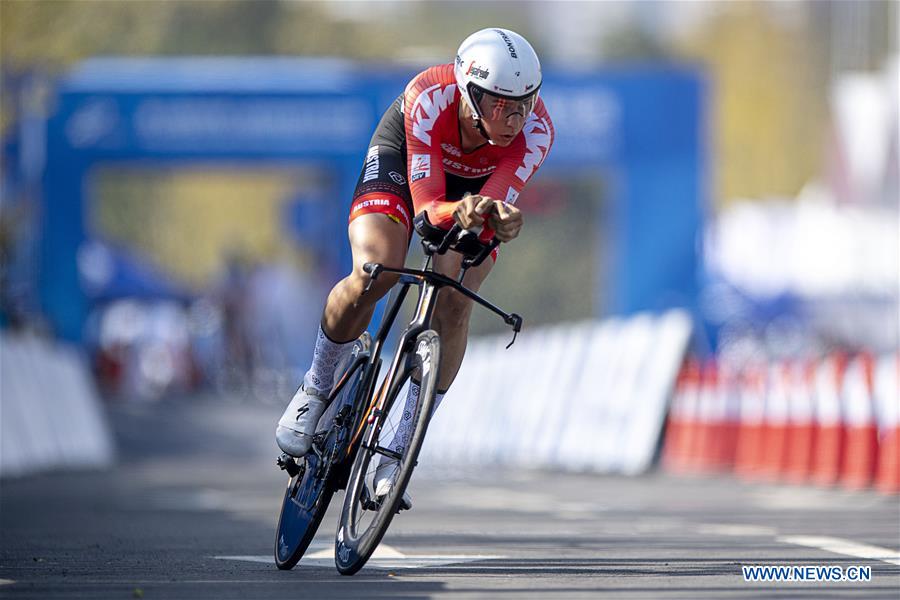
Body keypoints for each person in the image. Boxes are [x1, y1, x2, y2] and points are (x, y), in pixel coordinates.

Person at [275, 28, 554, 508]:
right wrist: (463, 209)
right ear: (469, 93)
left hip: (474, 191)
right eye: (500, 106)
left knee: (455, 299)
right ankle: (317, 386)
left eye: (524, 104)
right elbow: (427, 210)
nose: (513, 119)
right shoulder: (428, 96)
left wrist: (499, 222)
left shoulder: (536, 131)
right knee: (376, 270)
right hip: (405, 168)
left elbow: (491, 210)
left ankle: (399, 449)